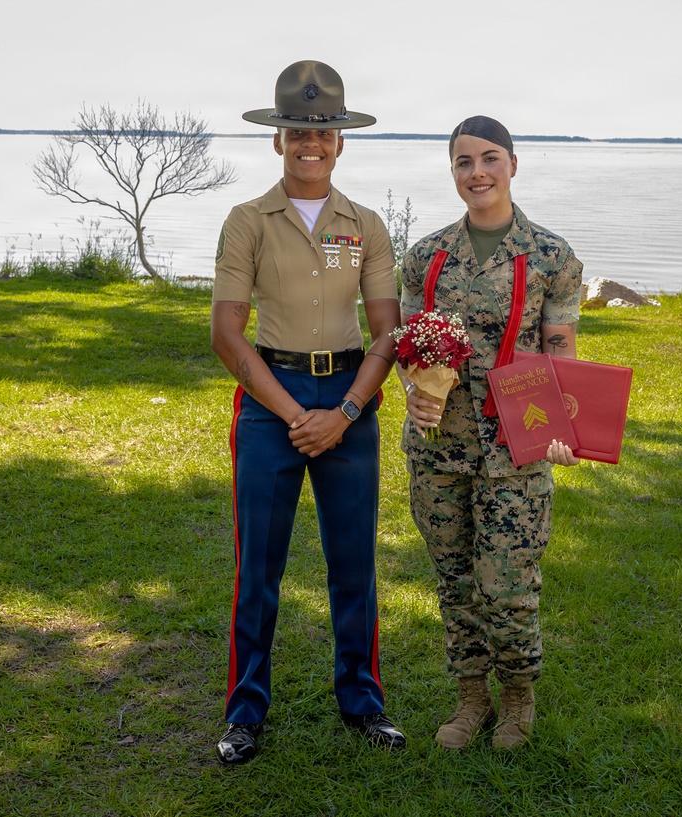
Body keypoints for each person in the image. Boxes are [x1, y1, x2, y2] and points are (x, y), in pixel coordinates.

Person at [210, 60, 405, 765]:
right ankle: (245, 713)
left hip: (351, 401)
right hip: (272, 405)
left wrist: (345, 411)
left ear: (340, 142)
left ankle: (362, 702)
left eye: (323, 132)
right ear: (278, 140)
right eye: (298, 131)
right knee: (257, 569)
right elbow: (227, 334)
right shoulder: (247, 222)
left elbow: (387, 331)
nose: (310, 143)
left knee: (353, 564)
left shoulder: (367, 225)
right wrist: (299, 415)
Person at [398, 115, 582, 751]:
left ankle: (518, 698)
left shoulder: (552, 257)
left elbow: (560, 351)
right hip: (439, 450)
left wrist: (565, 429)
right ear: (452, 171)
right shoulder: (424, 256)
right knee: (455, 581)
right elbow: (410, 347)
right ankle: (471, 697)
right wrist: (413, 394)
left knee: (507, 587)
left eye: (489, 159)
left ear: (512, 164)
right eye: (463, 162)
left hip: (516, 451)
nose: (476, 172)